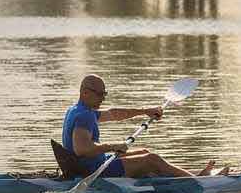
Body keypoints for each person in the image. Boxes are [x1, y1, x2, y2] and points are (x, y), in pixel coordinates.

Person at [62, 74, 228, 178]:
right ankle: (199, 180)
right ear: (85, 93)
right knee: (151, 159)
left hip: (91, 163)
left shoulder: (78, 109)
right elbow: (82, 149)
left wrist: (145, 111)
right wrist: (114, 146)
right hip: (93, 170)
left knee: (145, 152)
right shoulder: (84, 115)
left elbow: (114, 114)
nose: (103, 98)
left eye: (104, 94)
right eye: (99, 94)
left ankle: (188, 174)